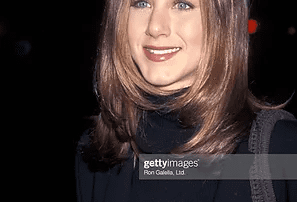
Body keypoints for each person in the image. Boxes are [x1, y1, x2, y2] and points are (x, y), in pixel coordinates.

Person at [75, 0, 297, 201]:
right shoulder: (96, 155)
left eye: (182, 5)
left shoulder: (282, 151)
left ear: (223, 20)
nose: (155, 27)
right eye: (141, 3)